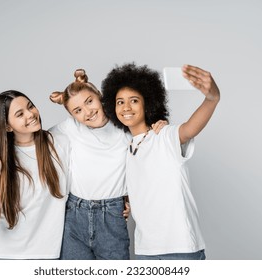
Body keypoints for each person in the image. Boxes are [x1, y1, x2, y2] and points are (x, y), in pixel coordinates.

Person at [101, 63, 220, 260]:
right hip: (145, 250)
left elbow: (190, 128)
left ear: (147, 103)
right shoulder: (127, 149)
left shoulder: (163, 135)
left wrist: (212, 99)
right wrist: (127, 202)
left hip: (180, 248)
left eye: (134, 100)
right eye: (120, 102)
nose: (126, 107)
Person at [49, 69, 166, 260]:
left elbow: (146, 152)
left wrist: (160, 123)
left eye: (90, 101)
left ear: (100, 97)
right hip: (74, 214)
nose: (88, 112)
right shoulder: (70, 128)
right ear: (72, 115)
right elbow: (35, 140)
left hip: (112, 214)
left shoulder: (124, 126)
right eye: (77, 111)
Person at [0, 90, 69, 259]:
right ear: (7, 126)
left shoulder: (59, 143)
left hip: (47, 256)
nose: (31, 114)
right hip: (6, 256)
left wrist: (119, 199)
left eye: (31, 106)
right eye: (20, 114)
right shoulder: (0, 160)